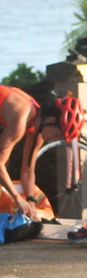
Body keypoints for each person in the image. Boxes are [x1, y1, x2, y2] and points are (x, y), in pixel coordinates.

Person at [0, 85, 44, 220]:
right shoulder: (21, 119)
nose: (54, 139)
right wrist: (17, 198)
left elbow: (28, 169)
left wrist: (31, 202)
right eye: (56, 134)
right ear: (51, 121)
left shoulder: (38, 122)